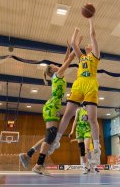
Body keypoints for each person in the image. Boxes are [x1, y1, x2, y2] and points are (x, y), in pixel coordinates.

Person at [18, 37, 83, 171]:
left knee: (50, 136)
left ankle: (27, 155)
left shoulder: (57, 75)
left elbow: (65, 60)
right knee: (51, 136)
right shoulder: (58, 74)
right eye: (54, 65)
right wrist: (75, 45)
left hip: (51, 106)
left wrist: (68, 48)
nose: (57, 65)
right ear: (53, 70)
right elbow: (69, 60)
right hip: (52, 106)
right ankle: (38, 165)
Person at [50, 17, 101, 165]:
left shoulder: (95, 56)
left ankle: (96, 148)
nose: (88, 44)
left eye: (90, 44)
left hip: (91, 84)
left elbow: (93, 36)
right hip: (79, 85)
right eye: (88, 44)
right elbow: (73, 44)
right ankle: (57, 141)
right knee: (67, 114)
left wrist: (91, 19)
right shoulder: (82, 58)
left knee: (92, 118)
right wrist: (76, 31)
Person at [69, 104, 93, 174]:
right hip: (79, 131)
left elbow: (92, 122)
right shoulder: (79, 110)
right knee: (82, 150)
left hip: (87, 131)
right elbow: (75, 121)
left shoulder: (91, 111)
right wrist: (72, 131)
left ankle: (90, 164)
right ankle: (85, 167)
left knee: (87, 149)